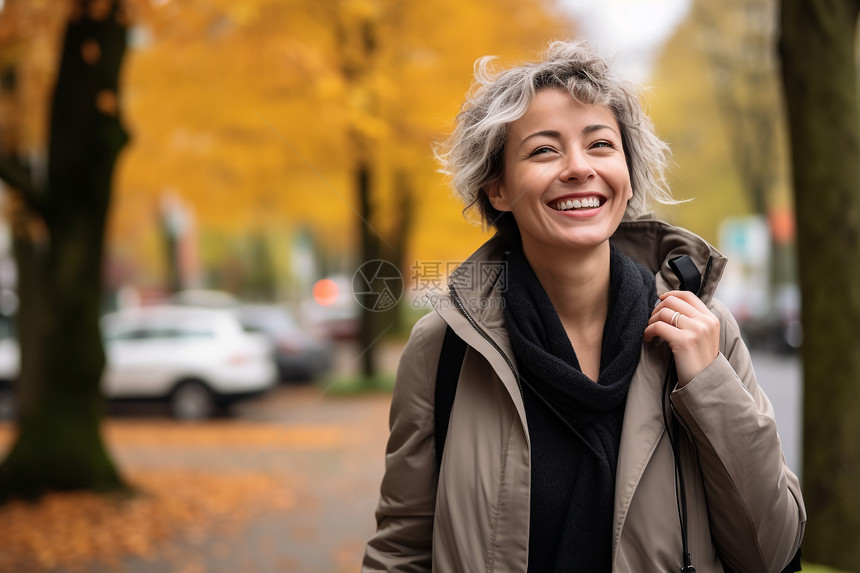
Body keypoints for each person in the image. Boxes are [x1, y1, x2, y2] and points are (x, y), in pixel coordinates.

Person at [362, 40, 805, 572]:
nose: (579, 168)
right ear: (498, 188)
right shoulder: (445, 350)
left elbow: (773, 552)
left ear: (626, 171)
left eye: (600, 145)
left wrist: (709, 383)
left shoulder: (703, 330)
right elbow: (402, 550)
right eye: (544, 150)